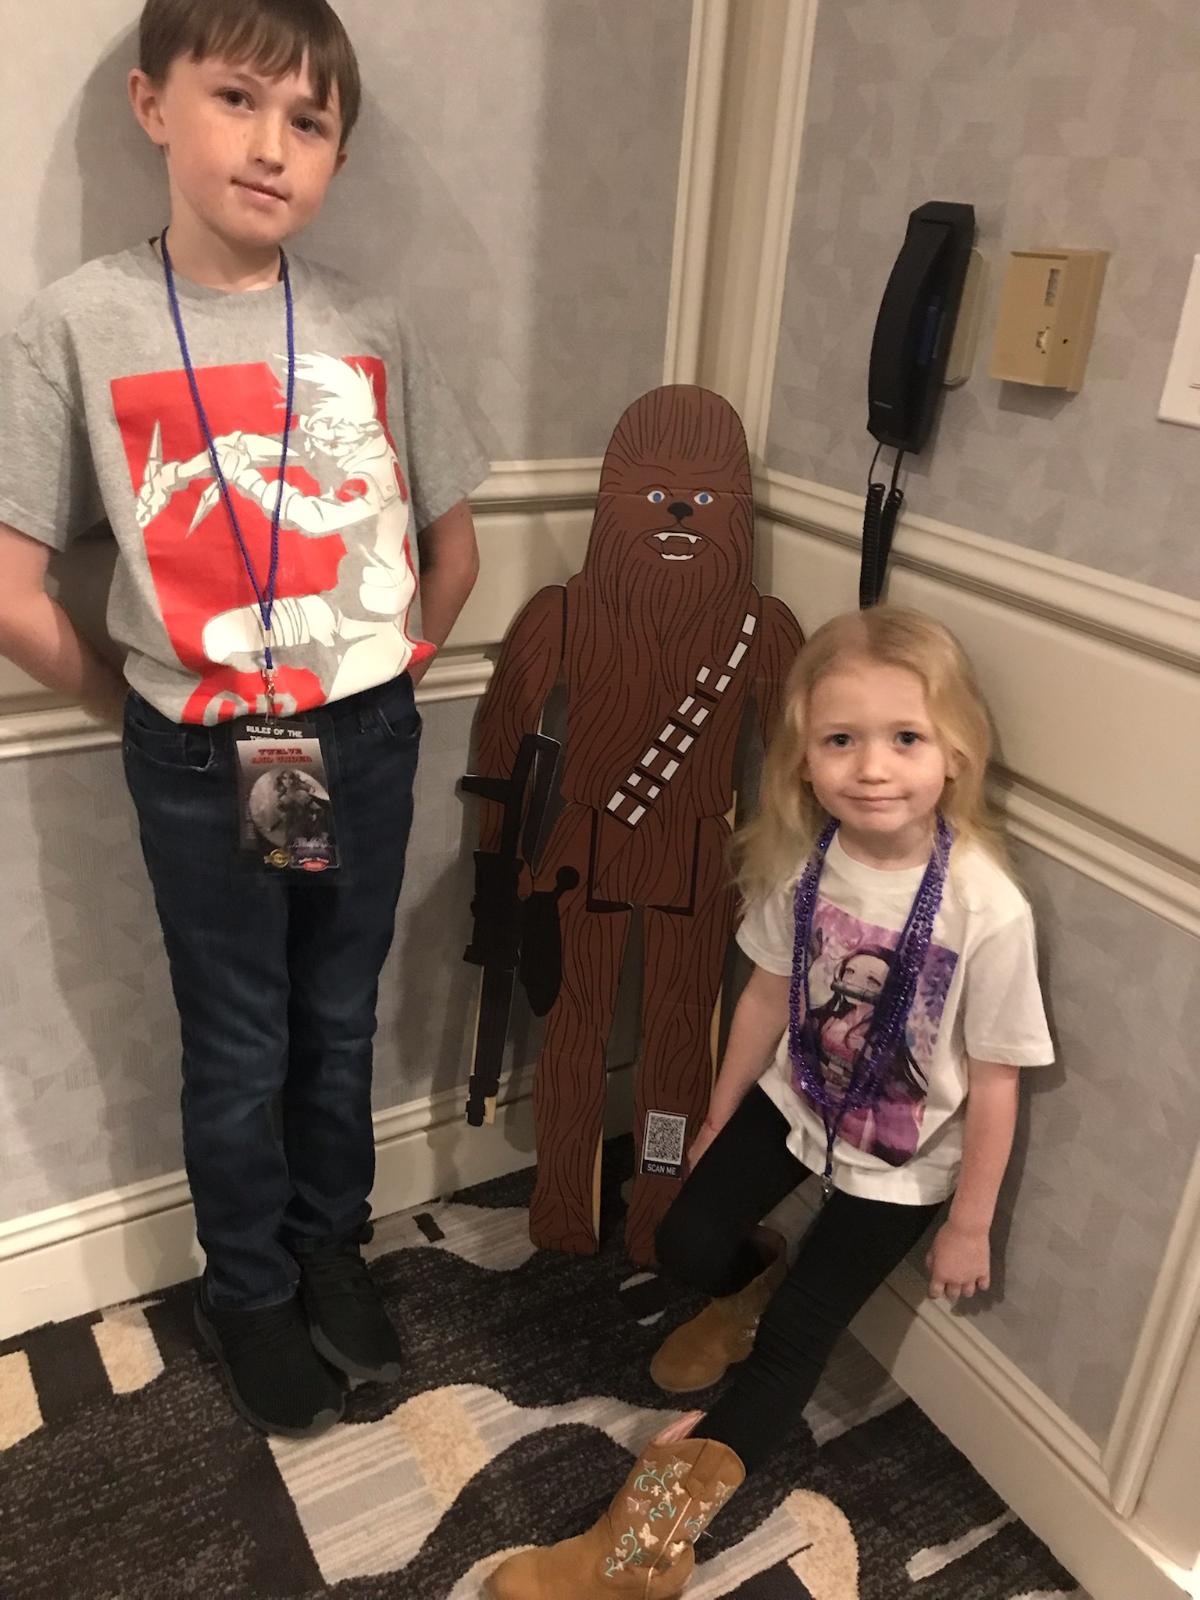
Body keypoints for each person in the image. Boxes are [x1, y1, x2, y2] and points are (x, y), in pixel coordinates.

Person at [0, 0, 489, 1438]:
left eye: (310, 121)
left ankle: (332, 1244)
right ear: (153, 105)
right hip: (202, 754)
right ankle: (250, 1286)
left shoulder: (367, 321)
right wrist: (143, 708)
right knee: (237, 1035)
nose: (272, 145)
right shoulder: (78, 323)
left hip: (362, 736)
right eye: (237, 100)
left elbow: (453, 546)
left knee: (337, 1018)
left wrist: (386, 674)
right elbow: (14, 588)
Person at [487, 605, 1054, 1598]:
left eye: (906, 738)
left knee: (794, 1342)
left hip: (900, 1167)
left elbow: (999, 1076)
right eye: (840, 740)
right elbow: (761, 992)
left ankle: (642, 1552)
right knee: (682, 1238)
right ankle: (746, 1285)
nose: (871, 768)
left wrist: (970, 1221)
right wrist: (718, 1112)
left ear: (956, 754)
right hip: (798, 1102)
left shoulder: (986, 907)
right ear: (802, 757)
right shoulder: (809, 863)